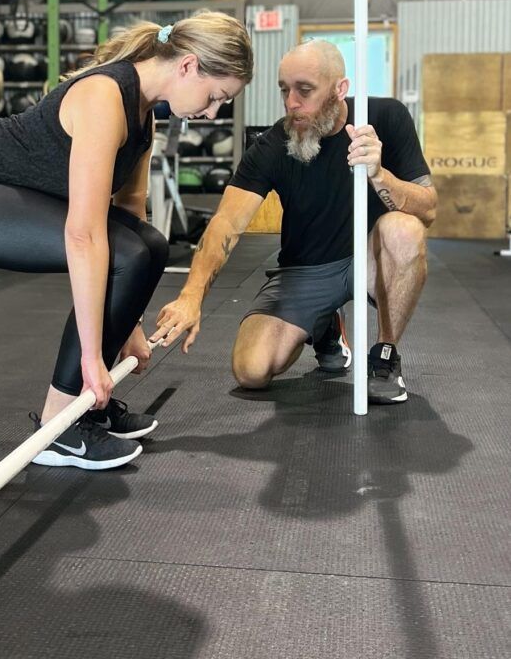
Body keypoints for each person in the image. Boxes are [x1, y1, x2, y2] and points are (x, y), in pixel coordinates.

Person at [0, 11, 254, 469]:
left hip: (2, 189)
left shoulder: (144, 116)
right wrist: (93, 357)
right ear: (188, 65)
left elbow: (132, 216)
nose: (211, 112)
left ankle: (87, 407)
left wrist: (129, 326)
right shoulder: (103, 97)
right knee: (127, 251)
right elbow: (85, 234)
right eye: (216, 97)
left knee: (150, 245)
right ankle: (59, 425)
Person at [152, 39, 436, 404]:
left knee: (403, 229)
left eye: (305, 90)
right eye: (284, 90)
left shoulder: (386, 118)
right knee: (251, 372)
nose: (291, 103)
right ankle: (325, 324)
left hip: (369, 259)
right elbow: (226, 223)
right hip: (306, 270)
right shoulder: (273, 145)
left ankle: (384, 355)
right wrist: (191, 297)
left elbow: (427, 210)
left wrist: (380, 175)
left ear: (340, 90)